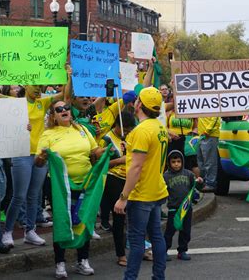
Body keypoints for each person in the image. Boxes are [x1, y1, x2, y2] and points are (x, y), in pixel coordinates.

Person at [35, 100, 105, 278]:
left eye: (66, 108)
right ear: (53, 115)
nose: (64, 110)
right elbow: (38, 162)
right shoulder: (48, 134)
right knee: (62, 222)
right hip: (60, 187)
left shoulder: (82, 130)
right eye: (59, 109)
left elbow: (95, 151)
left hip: (84, 183)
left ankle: (82, 260)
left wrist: (110, 150)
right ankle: (60, 263)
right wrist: (42, 157)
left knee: (84, 220)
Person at [2, 66, 70, 248]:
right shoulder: (15, 102)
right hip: (22, 153)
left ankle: (30, 231)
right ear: (26, 85)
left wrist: (67, 76)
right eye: (36, 85)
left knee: (34, 196)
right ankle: (7, 231)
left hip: (40, 154)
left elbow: (65, 95)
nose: (39, 88)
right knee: (19, 196)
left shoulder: (43, 102)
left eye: (41, 85)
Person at [114, 87, 169, 280]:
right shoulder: (160, 127)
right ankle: (159, 276)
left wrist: (123, 197)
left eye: (137, 100)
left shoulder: (141, 131)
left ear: (139, 105)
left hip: (142, 193)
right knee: (156, 236)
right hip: (156, 190)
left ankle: (130, 278)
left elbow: (136, 168)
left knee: (136, 241)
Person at [99, 111, 136, 267]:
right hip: (113, 179)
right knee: (119, 217)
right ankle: (120, 254)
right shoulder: (106, 139)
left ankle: (138, 249)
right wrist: (120, 160)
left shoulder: (132, 137)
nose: (127, 132)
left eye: (129, 129)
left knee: (135, 216)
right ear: (117, 125)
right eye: (125, 129)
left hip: (130, 179)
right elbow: (100, 165)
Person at [163, 150, 203, 261]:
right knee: (170, 231)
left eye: (179, 161)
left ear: (182, 162)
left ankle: (182, 251)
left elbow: (196, 187)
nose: (176, 164)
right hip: (173, 208)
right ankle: (164, 250)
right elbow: (162, 190)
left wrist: (200, 182)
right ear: (169, 163)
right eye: (173, 162)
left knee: (186, 231)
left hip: (186, 208)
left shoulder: (189, 174)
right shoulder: (166, 176)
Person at [197, 116, 221, 192]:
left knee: (209, 161)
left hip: (210, 134)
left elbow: (216, 117)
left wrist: (208, 130)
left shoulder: (213, 104)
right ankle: (204, 182)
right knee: (201, 161)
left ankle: (210, 183)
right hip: (201, 134)